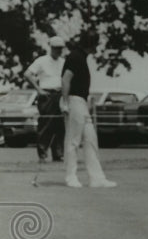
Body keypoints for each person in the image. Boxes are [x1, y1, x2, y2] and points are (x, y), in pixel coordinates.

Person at [61, 31, 116, 188]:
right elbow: (65, 79)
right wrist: (65, 103)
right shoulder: (75, 57)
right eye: (95, 44)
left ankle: (97, 178)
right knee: (73, 140)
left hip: (81, 102)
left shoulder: (81, 57)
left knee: (90, 139)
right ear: (90, 44)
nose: (97, 47)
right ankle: (70, 177)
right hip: (74, 101)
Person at [24, 35, 66, 163]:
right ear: (51, 48)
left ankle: (58, 154)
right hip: (46, 94)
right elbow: (27, 74)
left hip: (60, 94)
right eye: (56, 48)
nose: (58, 51)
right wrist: (39, 89)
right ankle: (43, 154)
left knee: (60, 125)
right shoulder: (41, 61)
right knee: (46, 124)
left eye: (60, 48)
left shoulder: (63, 62)